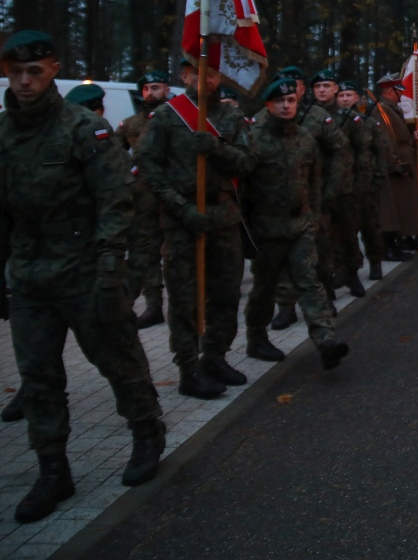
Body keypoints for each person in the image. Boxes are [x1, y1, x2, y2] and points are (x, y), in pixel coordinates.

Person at [0, 30, 166, 523]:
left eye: (35, 71)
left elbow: (115, 200)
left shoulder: (82, 128)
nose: (25, 81)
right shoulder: (4, 132)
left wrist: (111, 267)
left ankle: (146, 432)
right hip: (29, 272)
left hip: (84, 266)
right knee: (38, 377)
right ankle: (53, 469)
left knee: (117, 359)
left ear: (53, 70)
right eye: (16, 72)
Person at [138, 57, 253, 397]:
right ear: (185, 75)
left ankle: (215, 357)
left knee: (226, 292)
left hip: (223, 215)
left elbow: (248, 163)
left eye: (213, 73)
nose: (207, 80)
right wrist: (180, 207)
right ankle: (188, 369)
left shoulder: (231, 117)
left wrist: (217, 148)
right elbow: (148, 165)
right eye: (199, 73)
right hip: (181, 218)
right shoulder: (166, 116)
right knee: (184, 296)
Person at [241, 78, 349, 369]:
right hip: (266, 228)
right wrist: (247, 230)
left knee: (309, 282)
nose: (286, 106)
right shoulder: (253, 138)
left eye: (290, 101)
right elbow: (244, 189)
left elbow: (313, 182)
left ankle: (326, 340)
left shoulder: (304, 138)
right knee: (265, 288)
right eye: (280, 101)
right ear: (268, 105)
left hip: (300, 225)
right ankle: (256, 338)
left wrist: (312, 216)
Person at [263, 67, 350, 329]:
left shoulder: (317, 116)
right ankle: (285, 307)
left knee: (319, 251)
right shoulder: (262, 120)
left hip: (313, 197)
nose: (288, 97)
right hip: (275, 204)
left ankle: (324, 297)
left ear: (302, 89)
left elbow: (340, 152)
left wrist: (330, 190)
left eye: (295, 86)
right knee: (280, 258)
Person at [119, 70, 171, 331]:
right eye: (146, 88)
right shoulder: (130, 124)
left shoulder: (178, 119)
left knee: (177, 255)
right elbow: (112, 154)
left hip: (174, 199)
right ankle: (153, 307)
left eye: (156, 87)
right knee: (147, 254)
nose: (150, 93)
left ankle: (190, 307)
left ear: (167, 90)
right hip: (143, 199)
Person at [311, 69, 364, 298]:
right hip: (318, 188)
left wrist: (360, 185)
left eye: (326, 86)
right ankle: (326, 281)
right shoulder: (307, 116)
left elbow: (361, 152)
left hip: (345, 187)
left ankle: (352, 274)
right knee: (322, 239)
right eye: (317, 86)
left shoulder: (347, 117)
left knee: (348, 234)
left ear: (335, 89)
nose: (322, 90)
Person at [339, 82, 387, 280]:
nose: (345, 99)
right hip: (342, 186)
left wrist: (378, 178)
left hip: (366, 185)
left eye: (348, 95)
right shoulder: (333, 122)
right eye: (341, 95)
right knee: (344, 231)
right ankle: (347, 268)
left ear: (356, 98)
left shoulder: (369, 123)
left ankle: (375, 262)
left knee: (370, 227)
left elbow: (381, 152)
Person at [376, 74, 418, 256]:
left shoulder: (392, 108)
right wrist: (394, 161)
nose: (401, 94)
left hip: (402, 157)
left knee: (403, 202)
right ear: (390, 91)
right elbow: (384, 139)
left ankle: (401, 238)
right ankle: (389, 245)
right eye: (399, 91)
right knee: (392, 206)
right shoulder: (381, 110)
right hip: (394, 162)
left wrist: (411, 137)